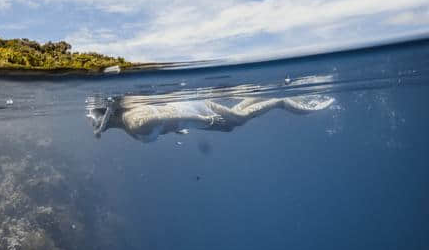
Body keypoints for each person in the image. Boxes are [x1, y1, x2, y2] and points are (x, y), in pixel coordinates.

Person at [87, 94, 334, 142]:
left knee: (236, 120)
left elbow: (169, 115)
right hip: (192, 113)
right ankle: (267, 97)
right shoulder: (130, 121)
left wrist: (205, 121)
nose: (94, 125)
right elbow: (163, 119)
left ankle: (281, 101)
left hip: (195, 109)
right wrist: (176, 129)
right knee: (232, 124)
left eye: (95, 121)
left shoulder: (133, 123)